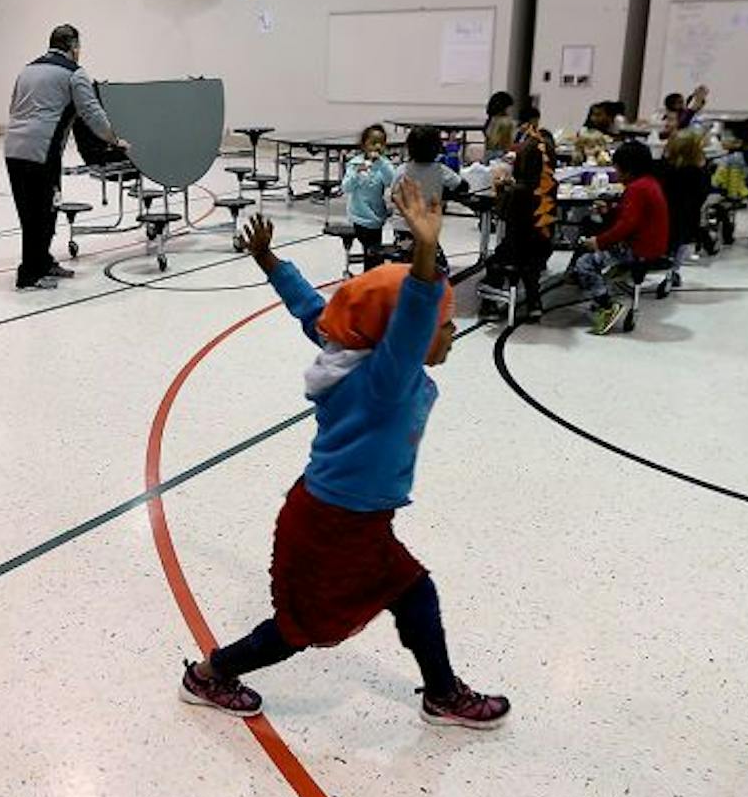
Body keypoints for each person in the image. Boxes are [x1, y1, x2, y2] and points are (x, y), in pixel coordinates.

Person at [178, 184, 509, 728]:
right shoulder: (386, 380)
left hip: (354, 520)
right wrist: (425, 252)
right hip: (330, 527)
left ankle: (443, 694)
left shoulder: (352, 354)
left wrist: (269, 261)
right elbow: (413, 316)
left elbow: (313, 310)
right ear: (409, 334)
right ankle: (209, 676)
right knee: (298, 631)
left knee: (413, 589)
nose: (452, 333)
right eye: (445, 325)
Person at [2, 24, 123, 291]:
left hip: (13, 149)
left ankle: (42, 262)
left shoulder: (27, 70)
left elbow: (14, 106)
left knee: (31, 212)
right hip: (42, 152)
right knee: (43, 212)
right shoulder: (74, 73)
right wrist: (115, 140)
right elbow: (92, 113)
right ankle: (29, 275)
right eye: (79, 47)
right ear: (73, 47)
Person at [573, 140, 669, 336]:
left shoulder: (637, 189)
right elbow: (631, 216)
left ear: (628, 169)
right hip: (653, 245)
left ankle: (606, 306)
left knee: (585, 263)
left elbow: (626, 226)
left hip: (638, 248)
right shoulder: (649, 183)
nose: (616, 174)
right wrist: (610, 211)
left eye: (617, 169)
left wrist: (599, 242)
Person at [486, 101, 558, 321]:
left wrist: (501, 190)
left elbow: (501, 214)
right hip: (543, 247)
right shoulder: (550, 188)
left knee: (496, 260)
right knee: (531, 264)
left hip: (516, 246)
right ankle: (534, 302)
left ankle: (489, 304)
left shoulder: (517, 191)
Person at [341, 123, 398, 266]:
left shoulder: (384, 164)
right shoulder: (355, 164)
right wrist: (357, 173)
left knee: (374, 256)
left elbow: (392, 181)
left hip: (376, 217)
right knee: (371, 253)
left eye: (381, 143)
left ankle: (372, 274)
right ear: (364, 144)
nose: (377, 147)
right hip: (359, 216)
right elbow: (346, 187)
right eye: (373, 143)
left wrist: (381, 165)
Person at [658, 130, 712, 259]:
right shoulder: (700, 173)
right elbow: (702, 194)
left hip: (665, 217)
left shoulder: (664, 169)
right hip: (689, 219)